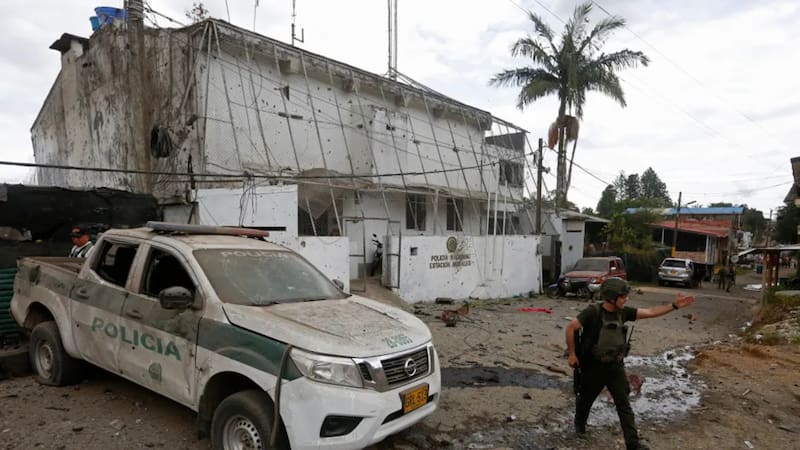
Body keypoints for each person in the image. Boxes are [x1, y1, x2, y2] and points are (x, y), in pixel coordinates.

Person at [565, 278, 694, 450]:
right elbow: (571, 327)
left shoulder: (623, 312)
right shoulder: (592, 312)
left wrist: (674, 306)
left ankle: (633, 444)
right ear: (612, 298)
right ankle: (580, 425)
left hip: (615, 367)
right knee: (585, 400)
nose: (626, 299)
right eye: (623, 296)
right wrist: (572, 354)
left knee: (624, 404)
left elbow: (650, 312)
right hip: (593, 367)